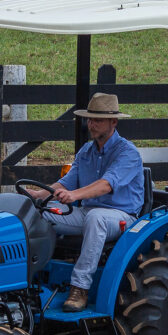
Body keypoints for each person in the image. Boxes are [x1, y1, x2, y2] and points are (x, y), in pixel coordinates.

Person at [43, 93, 145, 308]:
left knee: (96, 218)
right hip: (88, 212)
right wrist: (37, 195)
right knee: (43, 213)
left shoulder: (128, 153)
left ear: (113, 122)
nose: (92, 124)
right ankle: (37, 275)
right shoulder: (86, 151)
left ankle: (80, 288)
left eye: (98, 119)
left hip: (121, 216)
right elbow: (65, 183)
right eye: (90, 119)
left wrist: (74, 196)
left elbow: (106, 185)